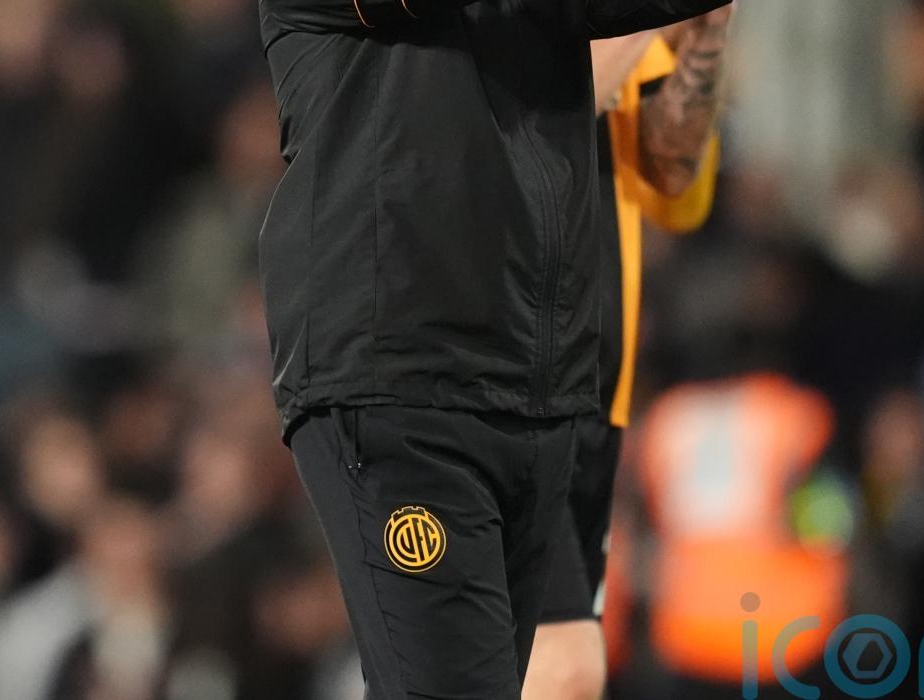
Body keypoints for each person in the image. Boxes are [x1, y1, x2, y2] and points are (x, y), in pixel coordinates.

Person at [256, 0, 732, 697]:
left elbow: (671, 169)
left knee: (530, 678)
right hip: (407, 378)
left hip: (543, 385)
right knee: (532, 676)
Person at [524, 7, 733, 699]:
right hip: (500, 381)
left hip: (592, 392)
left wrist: (704, 33)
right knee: (560, 668)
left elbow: (672, 183)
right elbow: (530, 107)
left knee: (541, 668)